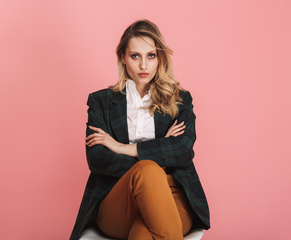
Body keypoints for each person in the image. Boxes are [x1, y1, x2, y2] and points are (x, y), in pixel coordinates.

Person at [70, 19, 210, 240]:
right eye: (135, 56)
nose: (143, 65)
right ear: (123, 58)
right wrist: (161, 150)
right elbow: (98, 159)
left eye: (151, 56)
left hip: (173, 194)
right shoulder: (101, 102)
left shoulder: (180, 100)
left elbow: (183, 150)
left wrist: (122, 148)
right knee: (147, 170)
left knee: (143, 234)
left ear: (160, 58)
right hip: (118, 199)